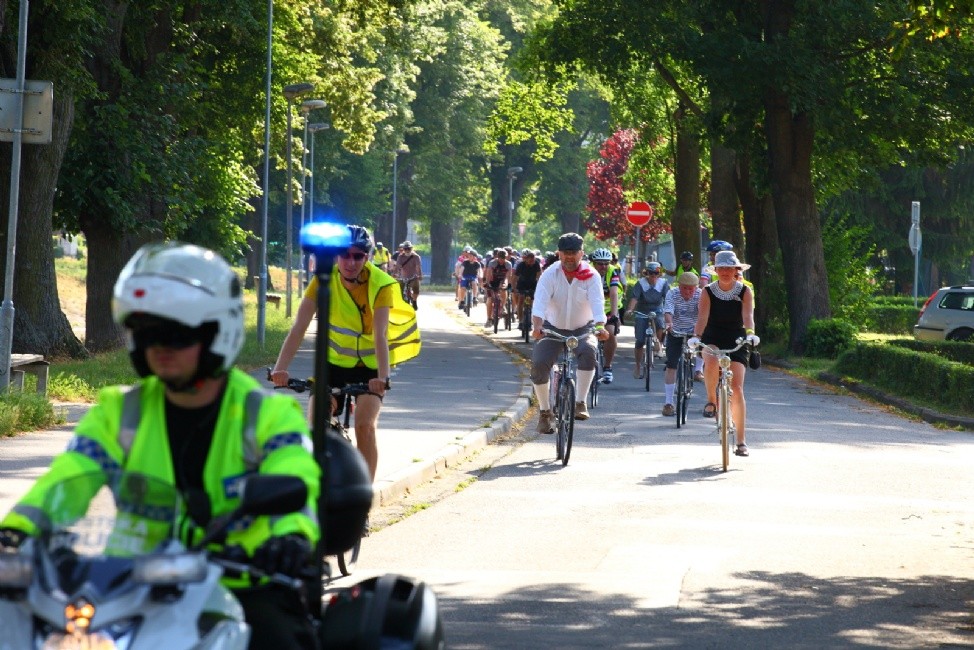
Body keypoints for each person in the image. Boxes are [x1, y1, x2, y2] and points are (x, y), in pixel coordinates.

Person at [0, 242, 321, 650]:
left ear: (217, 333)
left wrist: (290, 539)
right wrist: (15, 532)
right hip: (130, 590)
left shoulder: (266, 414)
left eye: (176, 334)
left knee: (280, 638)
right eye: (148, 333)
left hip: (240, 583)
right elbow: (69, 477)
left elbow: (295, 475)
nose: (160, 347)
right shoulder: (120, 412)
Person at [272, 225, 421, 481]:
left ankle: (363, 496)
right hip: (332, 365)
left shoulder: (380, 285)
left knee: (364, 425)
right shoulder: (323, 279)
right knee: (316, 425)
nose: (351, 262)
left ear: (367, 257)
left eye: (358, 256)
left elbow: (380, 335)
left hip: (369, 368)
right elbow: (299, 327)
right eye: (345, 255)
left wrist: (382, 378)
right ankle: (319, 490)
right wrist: (280, 369)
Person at [530, 233, 611, 431]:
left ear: (581, 253)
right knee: (539, 363)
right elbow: (539, 303)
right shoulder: (550, 274)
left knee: (589, 352)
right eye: (565, 253)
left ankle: (580, 402)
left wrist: (600, 327)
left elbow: (598, 304)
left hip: (582, 328)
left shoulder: (591, 275)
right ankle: (545, 412)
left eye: (573, 253)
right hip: (553, 328)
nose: (569, 257)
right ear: (559, 254)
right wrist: (537, 326)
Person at [689, 251, 760, 457]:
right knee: (710, 360)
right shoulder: (708, 291)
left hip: (737, 338)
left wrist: (750, 334)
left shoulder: (745, 291)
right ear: (716, 271)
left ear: (736, 270)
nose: (726, 272)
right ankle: (712, 400)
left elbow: (748, 316)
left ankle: (741, 441)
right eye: (721, 268)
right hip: (712, 336)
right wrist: (696, 336)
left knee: (737, 389)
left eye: (730, 268)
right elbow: (702, 317)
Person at [661, 272, 701, 416]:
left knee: (705, 349)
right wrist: (669, 323)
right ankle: (668, 403)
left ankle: (698, 370)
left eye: (691, 289)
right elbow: (668, 311)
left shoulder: (701, 294)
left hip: (695, 331)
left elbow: (703, 313)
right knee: (671, 364)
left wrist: (698, 331)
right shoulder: (672, 293)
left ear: (696, 287)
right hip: (676, 330)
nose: (688, 291)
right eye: (685, 288)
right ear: (679, 286)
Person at [625, 261, 669, 379]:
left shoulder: (663, 283)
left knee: (660, 323)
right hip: (642, 311)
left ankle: (658, 344)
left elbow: (668, 299)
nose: (653, 275)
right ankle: (638, 365)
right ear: (646, 273)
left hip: (657, 310)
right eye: (651, 272)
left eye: (656, 273)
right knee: (640, 341)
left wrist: (669, 311)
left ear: (659, 274)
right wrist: (630, 310)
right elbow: (634, 298)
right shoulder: (640, 283)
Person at [589, 247, 621, 383]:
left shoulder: (613, 271)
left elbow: (613, 293)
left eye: (606, 263)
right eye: (600, 264)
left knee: (610, 333)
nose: (603, 267)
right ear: (594, 263)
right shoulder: (587, 271)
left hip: (608, 308)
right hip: (589, 308)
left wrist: (613, 315)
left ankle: (607, 367)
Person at [483, 248, 513, 328]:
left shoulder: (508, 264)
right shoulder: (492, 263)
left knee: (503, 288)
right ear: (497, 257)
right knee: (489, 300)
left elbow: (508, 276)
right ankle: (489, 319)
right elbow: (489, 274)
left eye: (504, 258)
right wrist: (487, 283)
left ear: (506, 257)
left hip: (502, 280)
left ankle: (502, 307)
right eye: (500, 258)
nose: (502, 260)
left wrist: (507, 284)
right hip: (493, 281)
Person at [512, 248, 542, 322]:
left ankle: (531, 318)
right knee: (521, 300)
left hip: (532, 284)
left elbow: (539, 276)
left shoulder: (536, 264)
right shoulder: (521, 265)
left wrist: (540, 287)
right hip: (522, 284)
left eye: (533, 260)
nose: (532, 262)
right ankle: (520, 321)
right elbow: (515, 278)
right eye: (531, 261)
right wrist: (514, 288)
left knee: (532, 302)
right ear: (526, 259)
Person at [394, 240, 422, 308]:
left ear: (411, 249)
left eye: (408, 249)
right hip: (403, 277)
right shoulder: (400, 256)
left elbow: (418, 267)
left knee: (416, 290)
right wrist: (395, 274)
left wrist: (420, 275)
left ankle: (414, 301)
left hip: (413, 277)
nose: (407, 250)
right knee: (399, 290)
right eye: (405, 249)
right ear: (403, 249)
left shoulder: (416, 257)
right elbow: (397, 266)